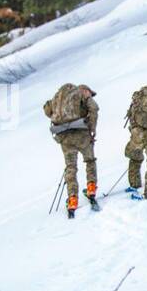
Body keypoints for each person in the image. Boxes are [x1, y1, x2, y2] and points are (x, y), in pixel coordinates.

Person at [44, 83, 100, 218]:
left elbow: (47, 110)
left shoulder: (61, 97)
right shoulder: (83, 95)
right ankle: (91, 190)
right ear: (85, 90)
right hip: (82, 135)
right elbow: (94, 109)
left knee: (71, 167)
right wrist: (92, 129)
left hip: (65, 137)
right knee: (90, 161)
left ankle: (73, 199)